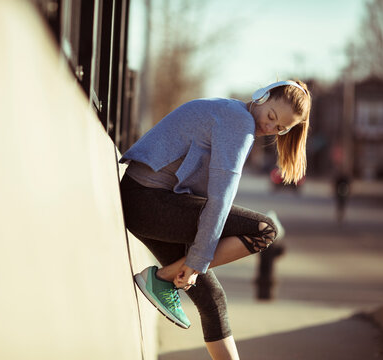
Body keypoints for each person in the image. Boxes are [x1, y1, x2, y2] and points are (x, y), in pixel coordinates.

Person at [119, 80, 312, 360]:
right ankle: (162, 277)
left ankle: (164, 278)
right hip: (150, 201)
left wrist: (197, 262)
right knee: (264, 230)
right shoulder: (239, 122)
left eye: (280, 128)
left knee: (213, 299)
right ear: (262, 96)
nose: (270, 129)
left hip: (149, 203)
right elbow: (221, 198)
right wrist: (196, 262)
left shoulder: (232, 113)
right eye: (271, 117)